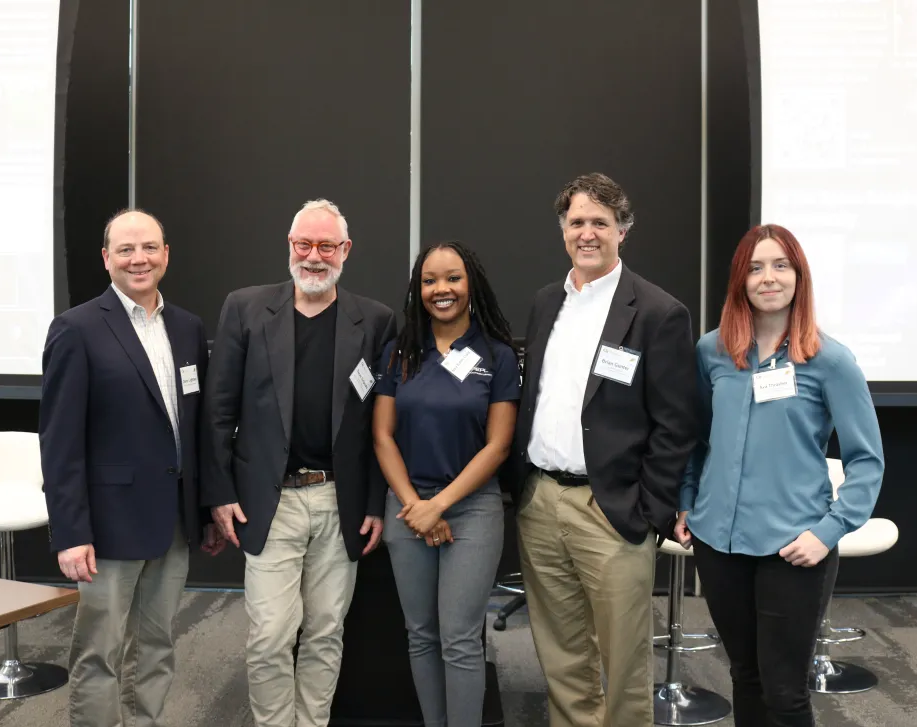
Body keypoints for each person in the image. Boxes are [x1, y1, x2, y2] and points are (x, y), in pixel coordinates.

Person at [504, 172, 698, 727]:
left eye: (600, 223)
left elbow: (675, 424)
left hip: (610, 509)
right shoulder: (547, 303)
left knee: (624, 658)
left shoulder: (659, 313)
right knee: (561, 654)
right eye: (577, 222)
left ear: (623, 231)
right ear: (563, 229)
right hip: (540, 501)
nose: (587, 233)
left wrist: (648, 508)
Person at [676, 224, 885, 727]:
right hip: (718, 542)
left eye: (779, 265)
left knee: (785, 691)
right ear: (739, 281)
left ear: (798, 276)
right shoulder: (712, 352)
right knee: (745, 675)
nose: (767, 278)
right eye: (754, 267)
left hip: (793, 547)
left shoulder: (829, 360)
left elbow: (867, 460)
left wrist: (828, 533)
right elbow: (696, 439)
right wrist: (687, 500)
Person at [201, 199, 397, 727]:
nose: (314, 257)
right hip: (270, 499)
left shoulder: (375, 322)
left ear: (345, 251)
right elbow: (218, 411)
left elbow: (381, 425)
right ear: (289, 247)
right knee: (270, 636)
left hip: (341, 500)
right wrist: (219, 492)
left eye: (325, 246)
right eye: (303, 245)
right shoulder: (245, 308)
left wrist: (376, 502)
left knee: (327, 631)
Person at [40, 209, 225, 727]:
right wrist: (70, 532)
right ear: (107, 259)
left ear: (166, 254)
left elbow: (196, 429)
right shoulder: (76, 329)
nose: (138, 259)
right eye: (125, 250)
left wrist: (205, 509)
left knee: (158, 645)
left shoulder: (187, 328)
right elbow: (60, 442)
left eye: (149, 247)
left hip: (173, 521)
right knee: (99, 654)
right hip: (107, 525)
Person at [373, 241, 520, 727]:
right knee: (420, 634)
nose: (442, 289)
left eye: (453, 278)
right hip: (407, 508)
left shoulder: (497, 356)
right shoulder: (400, 352)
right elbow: (382, 435)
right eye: (430, 280)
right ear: (418, 289)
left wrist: (440, 506)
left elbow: (497, 446)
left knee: (459, 637)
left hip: (472, 510)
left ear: (471, 284)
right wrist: (417, 505)